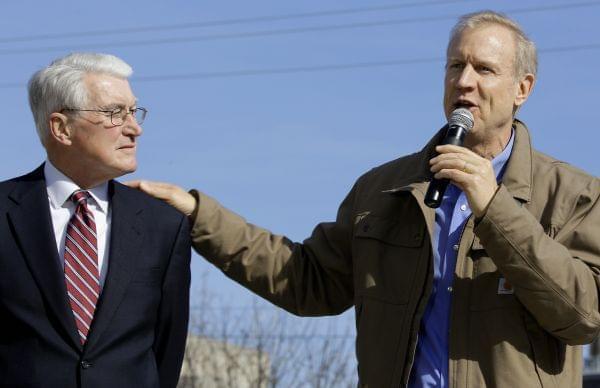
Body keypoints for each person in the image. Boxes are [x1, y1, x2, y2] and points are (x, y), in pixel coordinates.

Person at [130, 11, 600, 387]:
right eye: (455, 65)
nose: (464, 81)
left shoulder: (573, 194)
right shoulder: (384, 190)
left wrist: (494, 206)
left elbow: (584, 316)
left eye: (484, 69)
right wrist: (199, 215)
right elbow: (304, 279)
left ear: (523, 88)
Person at [0, 53, 191, 387]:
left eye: (133, 111)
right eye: (115, 113)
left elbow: (167, 349)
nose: (135, 128)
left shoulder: (164, 225)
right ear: (61, 127)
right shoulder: (4, 213)